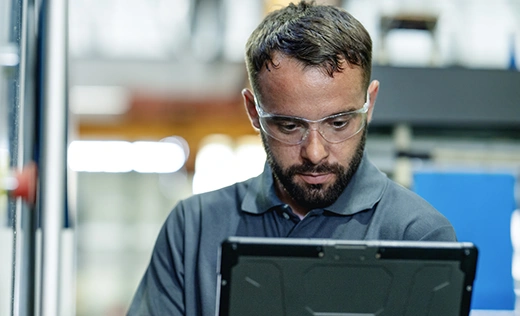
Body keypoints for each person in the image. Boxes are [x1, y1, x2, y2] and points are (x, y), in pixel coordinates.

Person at [128, 1, 456, 315]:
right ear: (253, 111)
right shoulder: (194, 229)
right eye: (289, 125)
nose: (314, 152)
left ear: (370, 104)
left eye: (338, 123)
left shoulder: (418, 236)